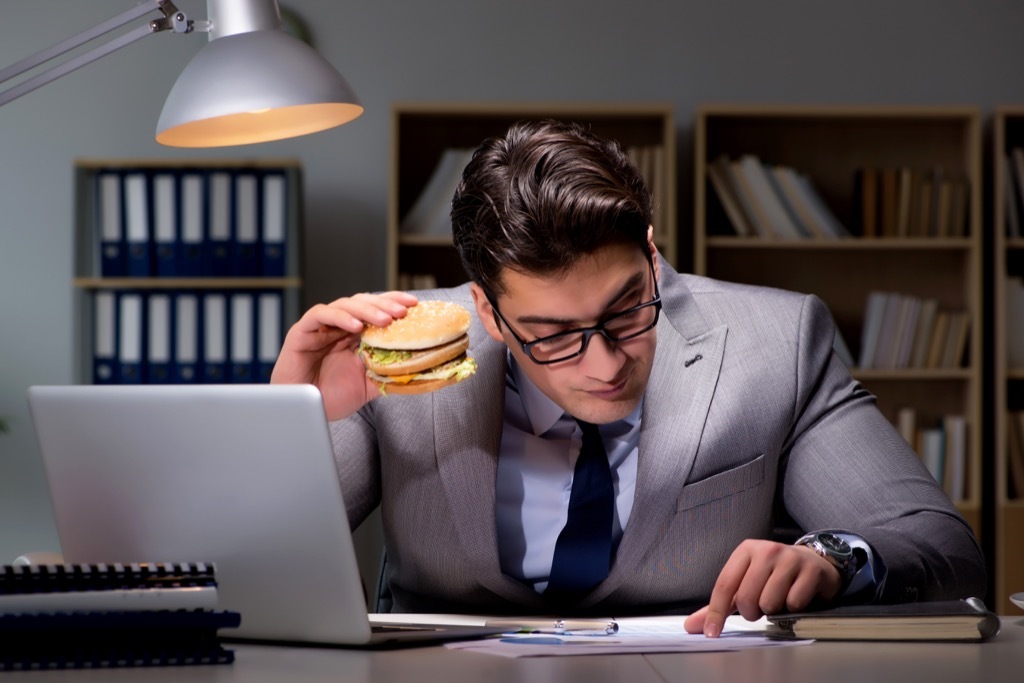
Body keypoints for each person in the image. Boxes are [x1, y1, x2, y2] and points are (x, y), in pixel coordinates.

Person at [271, 119, 986, 637]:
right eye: (551, 336)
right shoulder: (398, 357)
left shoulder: (780, 345)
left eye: (626, 308)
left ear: (651, 253)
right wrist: (293, 418)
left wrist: (834, 559)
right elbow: (254, 569)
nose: (606, 363)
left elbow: (942, 547)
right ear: (487, 310)